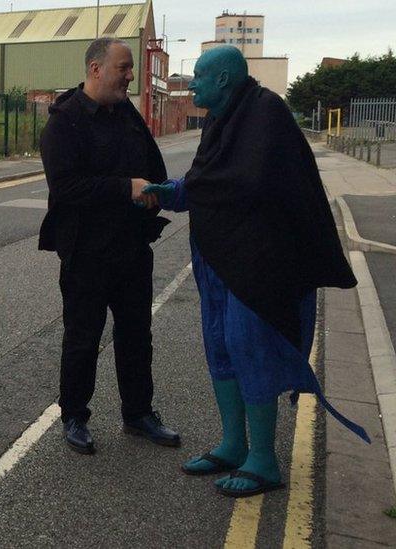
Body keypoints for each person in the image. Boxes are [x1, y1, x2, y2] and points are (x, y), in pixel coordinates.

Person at [143, 46, 367, 497]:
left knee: (253, 352)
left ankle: (263, 460)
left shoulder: (267, 115)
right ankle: (232, 443)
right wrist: (168, 192)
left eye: (200, 77)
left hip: (255, 265)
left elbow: (246, 183)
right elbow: (210, 180)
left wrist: (178, 192)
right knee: (221, 349)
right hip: (216, 259)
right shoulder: (224, 117)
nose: (194, 84)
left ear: (224, 79)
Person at [38, 37, 180, 455]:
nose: (130, 75)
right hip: (86, 252)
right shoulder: (64, 122)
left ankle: (138, 413)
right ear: (96, 69)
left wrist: (155, 189)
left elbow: (153, 164)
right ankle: (74, 416)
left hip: (132, 248)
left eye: (131, 67)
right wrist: (126, 188)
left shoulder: (126, 114)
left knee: (137, 334)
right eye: (124, 67)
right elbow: (66, 186)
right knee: (83, 337)